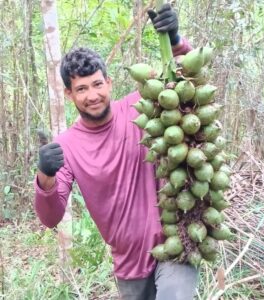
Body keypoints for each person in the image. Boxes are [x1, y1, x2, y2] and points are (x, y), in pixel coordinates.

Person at [34, 4, 197, 300]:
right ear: (69, 94)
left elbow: (186, 84)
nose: (92, 95)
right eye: (82, 89)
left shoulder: (142, 106)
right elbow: (51, 217)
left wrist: (175, 40)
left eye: (97, 84)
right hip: (129, 265)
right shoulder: (67, 146)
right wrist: (45, 176)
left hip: (175, 243)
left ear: (109, 83)